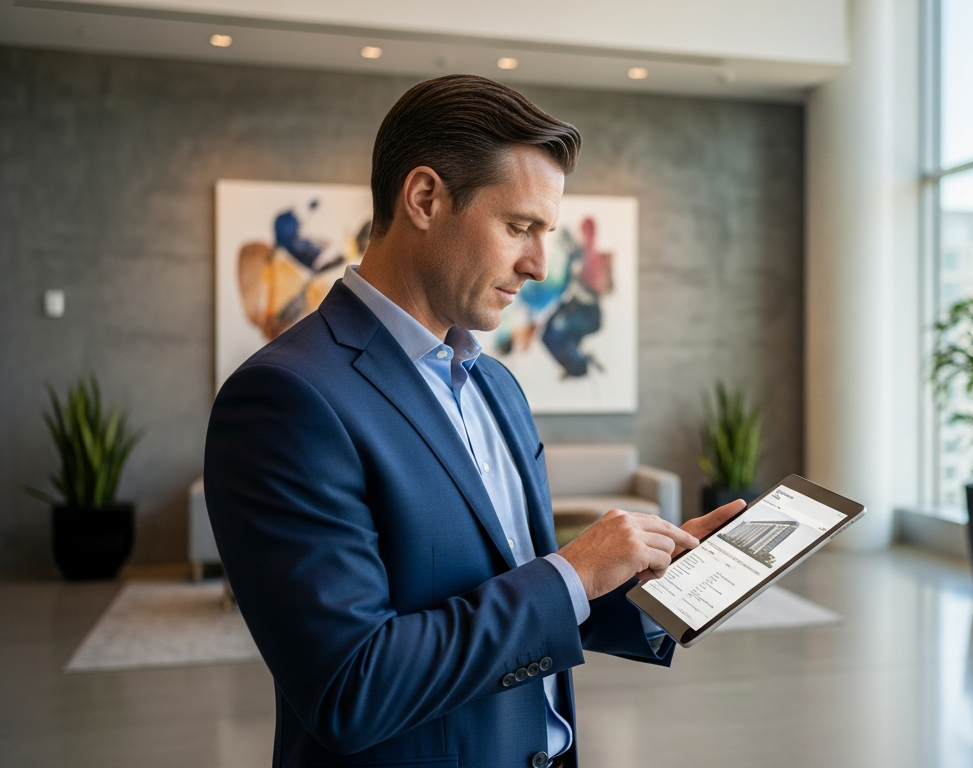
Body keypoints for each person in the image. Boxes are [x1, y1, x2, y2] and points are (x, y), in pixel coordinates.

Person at [204, 74, 744, 768]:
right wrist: (572, 573)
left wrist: (660, 589)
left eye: (545, 233)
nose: (539, 265)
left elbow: (515, 596)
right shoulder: (285, 399)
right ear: (425, 198)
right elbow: (351, 688)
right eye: (519, 227)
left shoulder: (496, 386)